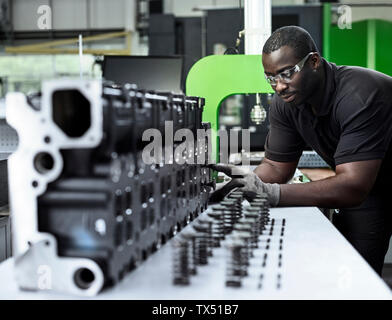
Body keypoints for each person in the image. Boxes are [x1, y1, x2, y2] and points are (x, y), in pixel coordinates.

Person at [210, 26, 392, 276]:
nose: (279, 86)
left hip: (362, 184)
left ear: (314, 62)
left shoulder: (359, 95)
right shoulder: (287, 104)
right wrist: (241, 184)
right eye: (271, 78)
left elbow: (352, 185)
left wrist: (272, 193)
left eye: (286, 74)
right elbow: (276, 167)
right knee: (355, 274)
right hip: (370, 190)